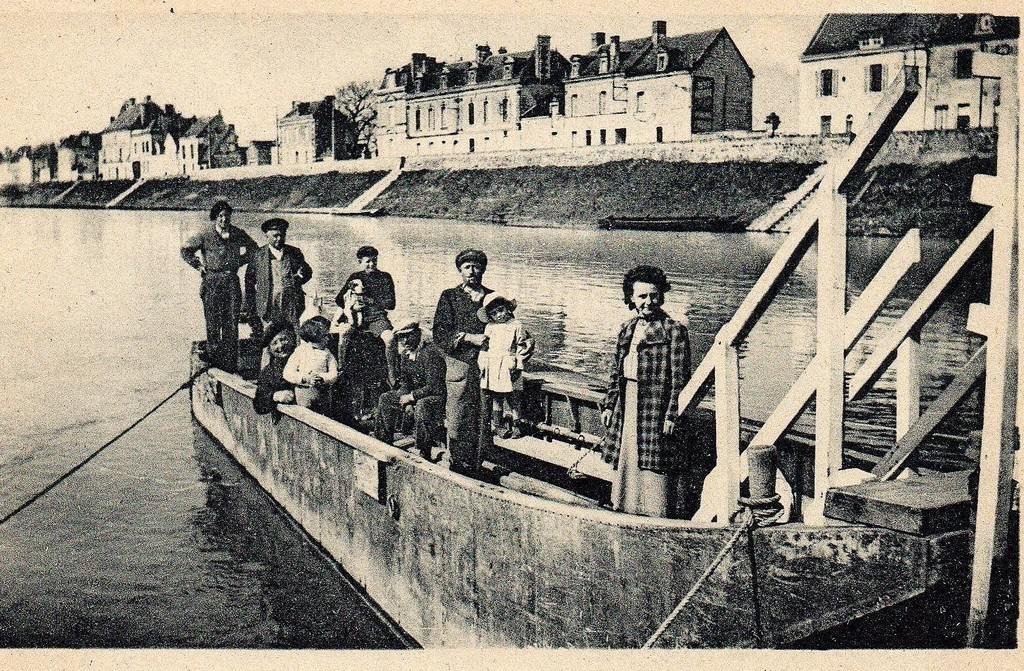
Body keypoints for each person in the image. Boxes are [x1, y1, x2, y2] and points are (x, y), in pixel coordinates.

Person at [600, 265, 691, 518]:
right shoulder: (627, 328)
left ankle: (655, 513)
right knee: (626, 456)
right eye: (642, 296)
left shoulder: (674, 330)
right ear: (631, 298)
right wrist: (609, 404)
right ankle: (625, 507)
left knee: (655, 459)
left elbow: (680, 378)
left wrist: (672, 414)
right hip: (627, 401)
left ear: (661, 295)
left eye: (654, 295)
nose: (648, 302)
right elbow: (615, 372)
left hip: (655, 404)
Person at [432, 249, 492, 475]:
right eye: (467, 267)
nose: (472, 271)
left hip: (487, 363)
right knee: (458, 410)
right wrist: (469, 338)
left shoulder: (491, 297)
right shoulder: (449, 296)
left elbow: (506, 324)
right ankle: (456, 460)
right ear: (460, 271)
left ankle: (480, 460)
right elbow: (440, 332)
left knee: (484, 411)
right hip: (460, 361)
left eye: (476, 267)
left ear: (483, 270)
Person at [180, 200, 258, 372]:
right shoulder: (205, 235)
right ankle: (215, 365)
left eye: (227, 216)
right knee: (213, 323)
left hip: (231, 281)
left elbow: (254, 249)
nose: (224, 219)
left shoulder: (237, 233)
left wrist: (240, 261)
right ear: (215, 218)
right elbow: (185, 250)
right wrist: (198, 265)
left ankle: (230, 365)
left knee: (231, 323)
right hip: (212, 282)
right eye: (220, 216)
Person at [373, 320, 446, 455]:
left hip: (435, 396)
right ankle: (383, 439)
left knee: (422, 405)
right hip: (416, 394)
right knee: (386, 398)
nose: (405, 340)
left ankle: (423, 449)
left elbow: (434, 386)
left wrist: (411, 397)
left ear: (417, 335)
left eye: (408, 336)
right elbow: (406, 381)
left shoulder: (430, 353)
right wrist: (404, 396)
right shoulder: (406, 354)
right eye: (401, 337)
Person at [244, 217, 312, 340]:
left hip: (291, 304)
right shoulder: (258, 255)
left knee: (292, 338)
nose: (279, 239)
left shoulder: (294, 252)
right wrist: (252, 310)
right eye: (275, 236)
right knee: (269, 340)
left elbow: (308, 272)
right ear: (267, 235)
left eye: (282, 235)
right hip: (268, 305)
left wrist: (300, 277)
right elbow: (249, 283)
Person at [477, 293, 534, 439]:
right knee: (497, 397)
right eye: (494, 313)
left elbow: (525, 345)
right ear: (490, 316)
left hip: (510, 364)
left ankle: (517, 425)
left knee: (514, 396)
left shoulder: (516, 325)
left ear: (507, 309)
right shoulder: (490, 327)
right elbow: (484, 347)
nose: (499, 315)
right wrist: (482, 365)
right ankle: (498, 425)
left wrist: (518, 362)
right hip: (493, 364)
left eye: (501, 310)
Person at [333, 279, 390, 426]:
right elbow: (344, 309)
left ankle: (364, 410)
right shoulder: (348, 297)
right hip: (352, 325)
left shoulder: (367, 300)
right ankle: (341, 362)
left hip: (361, 326)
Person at [283, 316, 338, 413]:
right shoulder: (301, 351)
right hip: (304, 392)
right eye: (325, 336)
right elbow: (287, 372)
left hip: (323, 393)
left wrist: (323, 378)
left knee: (323, 417)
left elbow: (334, 373)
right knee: (305, 415)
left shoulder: (328, 353)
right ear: (315, 336)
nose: (329, 339)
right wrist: (304, 378)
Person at [253, 321, 298, 416]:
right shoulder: (269, 371)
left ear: (292, 339)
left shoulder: (304, 359)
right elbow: (259, 404)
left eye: (283, 339)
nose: (280, 346)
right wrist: (274, 396)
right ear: (269, 348)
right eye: (274, 343)